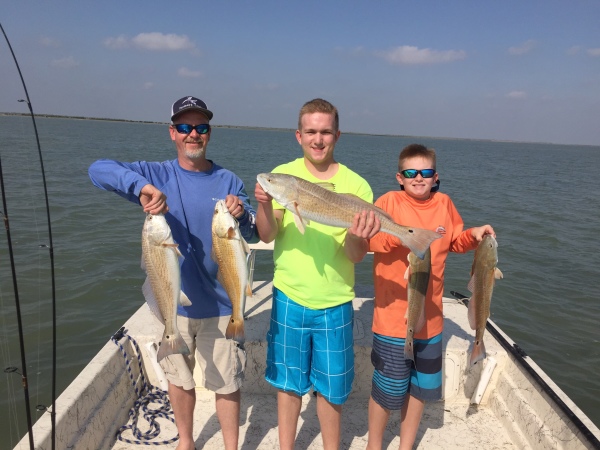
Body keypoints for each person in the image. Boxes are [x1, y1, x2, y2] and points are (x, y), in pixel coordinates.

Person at [88, 96, 257, 450]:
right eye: (184, 127)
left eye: (200, 127)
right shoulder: (156, 173)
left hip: (223, 304)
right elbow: (98, 169)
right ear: (172, 133)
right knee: (179, 381)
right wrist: (142, 189)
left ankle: (231, 446)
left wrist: (241, 214)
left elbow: (255, 233)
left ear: (209, 133)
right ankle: (186, 441)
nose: (192, 134)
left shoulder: (229, 180)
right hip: (174, 307)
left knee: (227, 384)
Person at [254, 98, 381, 449]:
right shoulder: (284, 176)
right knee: (287, 384)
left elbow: (355, 255)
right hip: (288, 296)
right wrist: (264, 203)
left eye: (325, 132)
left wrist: (359, 234)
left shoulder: (357, 186)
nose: (318, 139)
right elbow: (267, 234)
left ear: (337, 135)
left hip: (335, 300)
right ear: (298, 135)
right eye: (311, 131)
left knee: (332, 388)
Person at [366, 143, 495, 450]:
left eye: (425, 172)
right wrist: (406, 236)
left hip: (432, 323)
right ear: (400, 176)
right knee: (387, 391)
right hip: (392, 321)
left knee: (420, 390)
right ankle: (374, 444)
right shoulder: (388, 202)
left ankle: (405, 445)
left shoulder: (444, 204)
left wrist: (475, 235)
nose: (418, 178)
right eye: (411, 172)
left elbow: (456, 240)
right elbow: (372, 240)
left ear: (435, 176)